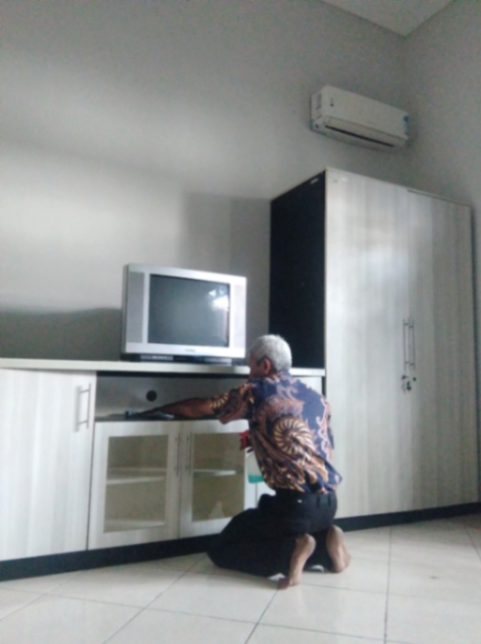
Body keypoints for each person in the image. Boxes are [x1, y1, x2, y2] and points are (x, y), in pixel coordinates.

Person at [140, 334, 350, 588]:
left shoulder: (255, 390)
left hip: (293, 508)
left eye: (251, 366)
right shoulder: (317, 397)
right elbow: (314, 447)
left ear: (265, 365)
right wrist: (262, 440)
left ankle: (293, 552)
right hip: (328, 504)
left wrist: (156, 410)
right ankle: (326, 544)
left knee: (222, 549)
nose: (249, 374)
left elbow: (199, 407)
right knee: (260, 524)